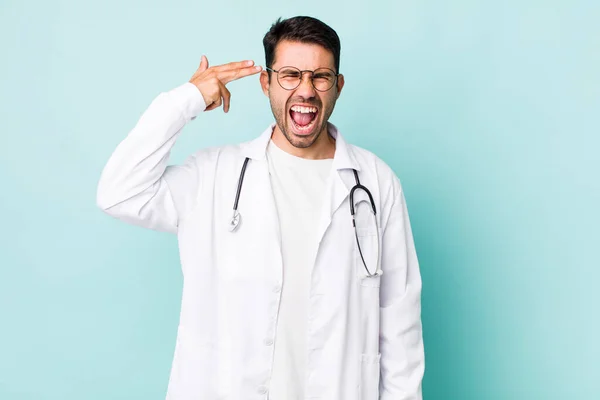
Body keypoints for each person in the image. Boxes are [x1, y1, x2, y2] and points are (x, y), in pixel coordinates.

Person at [97, 15, 424, 400]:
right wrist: (187, 100)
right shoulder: (214, 176)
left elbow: (400, 326)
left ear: (338, 87)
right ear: (265, 83)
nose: (306, 91)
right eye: (290, 75)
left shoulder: (375, 183)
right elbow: (119, 192)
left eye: (320, 77)